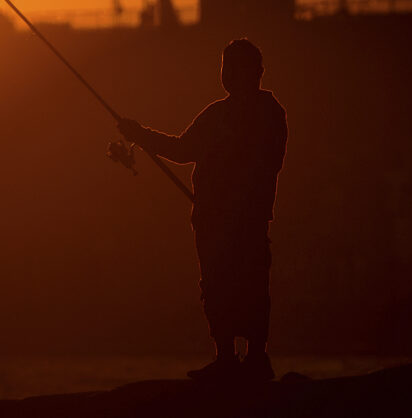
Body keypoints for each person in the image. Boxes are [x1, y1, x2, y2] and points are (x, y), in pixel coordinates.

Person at [118, 38, 287, 381]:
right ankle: (226, 357)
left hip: (245, 220)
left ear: (256, 72)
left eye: (234, 68)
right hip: (211, 219)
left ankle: (255, 358)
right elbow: (183, 150)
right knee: (215, 285)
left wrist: (229, 198)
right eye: (225, 68)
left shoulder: (269, 114)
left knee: (250, 285)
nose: (227, 75)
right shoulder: (217, 113)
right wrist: (140, 135)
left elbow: (264, 163)